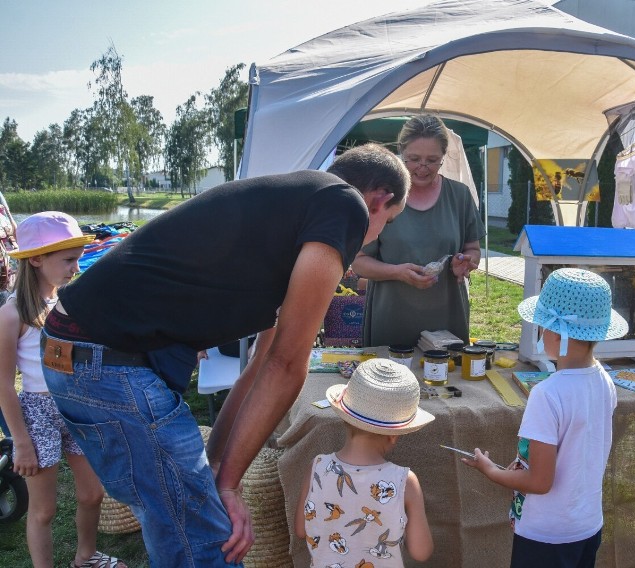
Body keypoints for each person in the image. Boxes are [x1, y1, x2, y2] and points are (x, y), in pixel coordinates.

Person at [40, 143, 410, 567]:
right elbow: (288, 364)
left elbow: (260, 365)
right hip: (108, 361)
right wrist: (230, 487)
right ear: (378, 200)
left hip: (79, 357)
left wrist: (220, 469)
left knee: (180, 525)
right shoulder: (344, 203)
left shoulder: (290, 215)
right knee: (210, 544)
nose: (376, 233)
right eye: (389, 221)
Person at [463, 268, 628, 568]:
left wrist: (490, 470)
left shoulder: (547, 394)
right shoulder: (604, 380)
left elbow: (540, 481)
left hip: (545, 536)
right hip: (586, 526)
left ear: (554, 333)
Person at [0, 212, 126, 568]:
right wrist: (21, 442)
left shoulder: (69, 301)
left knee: (91, 493)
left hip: (74, 405)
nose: (76, 266)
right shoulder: (12, 315)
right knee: (44, 509)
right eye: (68, 260)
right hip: (37, 413)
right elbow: (3, 383)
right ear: (36, 259)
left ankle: (85, 557)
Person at [353, 114, 486, 347]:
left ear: (444, 157)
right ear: (400, 153)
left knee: (449, 379)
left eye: (432, 160)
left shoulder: (459, 195)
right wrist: (398, 272)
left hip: (447, 315)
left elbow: (473, 248)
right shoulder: (383, 196)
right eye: (414, 159)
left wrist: (465, 262)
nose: (423, 168)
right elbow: (359, 262)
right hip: (392, 317)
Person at [294, 358, 434, 567]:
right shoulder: (404, 481)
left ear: (346, 419)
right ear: (395, 435)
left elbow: (301, 530)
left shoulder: (317, 466)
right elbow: (421, 552)